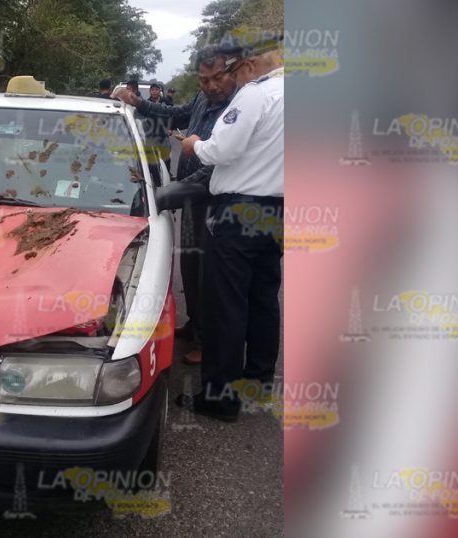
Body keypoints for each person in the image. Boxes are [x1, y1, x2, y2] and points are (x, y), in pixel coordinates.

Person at [177, 35, 285, 422]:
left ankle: (220, 398)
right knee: (262, 300)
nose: (228, 83)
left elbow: (222, 150)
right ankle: (257, 384)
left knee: (226, 304)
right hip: (277, 211)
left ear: (243, 65)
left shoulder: (255, 94)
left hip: (238, 212)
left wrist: (193, 145)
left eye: (227, 73)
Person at [114, 46, 238, 365]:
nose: (210, 85)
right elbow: (176, 114)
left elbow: (217, 167)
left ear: (234, 72)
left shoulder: (238, 108)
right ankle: (195, 326)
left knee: (208, 273)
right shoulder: (201, 99)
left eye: (217, 77)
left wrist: (166, 195)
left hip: (213, 200)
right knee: (190, 266)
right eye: (204, 79)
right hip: (191, 195)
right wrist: (139, 103)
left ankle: (207, 341)